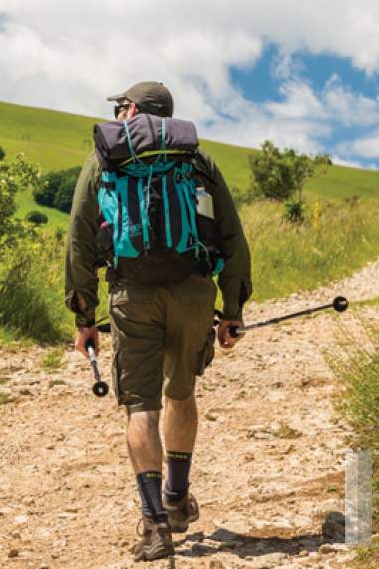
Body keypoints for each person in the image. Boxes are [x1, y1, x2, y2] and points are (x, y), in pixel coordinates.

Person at [65, 82, 252, 562]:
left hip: (132, 295)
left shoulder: (105, 159)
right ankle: (176, 497)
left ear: (130, 110)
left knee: (141, 407)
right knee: (181, 392)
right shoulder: (197, 161)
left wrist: (85, 317)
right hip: (193, 292)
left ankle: (154, 527)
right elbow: (232, 238)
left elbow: (80, 242)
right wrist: (232, 311)